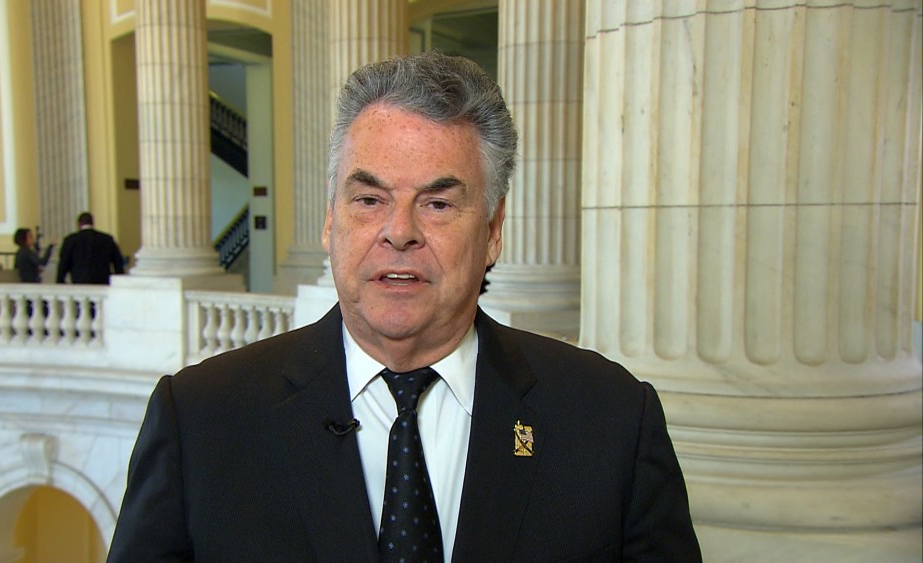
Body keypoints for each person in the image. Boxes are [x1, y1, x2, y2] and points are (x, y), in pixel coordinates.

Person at [107, 51, 702, 562]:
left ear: (493, 230)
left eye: (438, 204)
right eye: (369, 199)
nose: (399, 232)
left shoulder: (612, 422)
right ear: (330, 221)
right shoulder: (200, 421)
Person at [55, 212, 124, 284]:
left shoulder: (70, 240)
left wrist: (60, 281)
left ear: (79, 224)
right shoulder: (107, 239)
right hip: (102, 284)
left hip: (79, 284)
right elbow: (118, 262)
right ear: (92, 223)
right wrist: (119, 282)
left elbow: (63, 264)